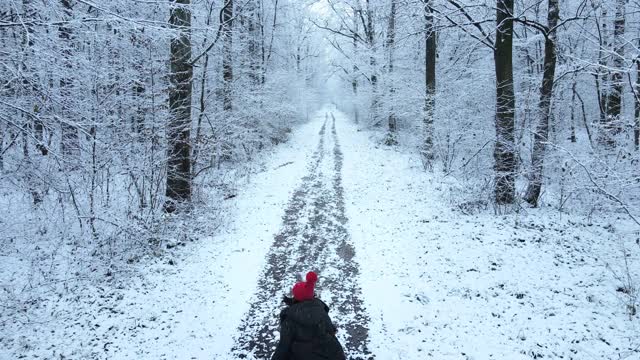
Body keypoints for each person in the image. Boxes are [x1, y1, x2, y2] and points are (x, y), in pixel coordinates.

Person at [271, 271, 346, 360]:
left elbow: (283, 346)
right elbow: (331, 331)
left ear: (295, 298)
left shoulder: (289, 318)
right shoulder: (321, 311)